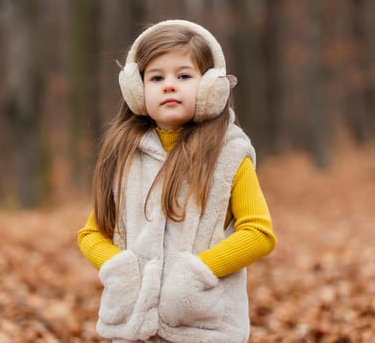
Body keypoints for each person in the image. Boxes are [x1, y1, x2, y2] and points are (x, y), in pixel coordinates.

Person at [78, 19, 277, 343]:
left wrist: (197, 273)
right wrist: (119, 269)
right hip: (134, 326)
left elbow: (259, 233)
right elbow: (91, 232)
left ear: (211, 86)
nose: (169, 85)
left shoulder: (228, 154)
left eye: (183, 76)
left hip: (204, 325)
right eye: (156, 77)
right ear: (137, 90)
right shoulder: (125, 155)